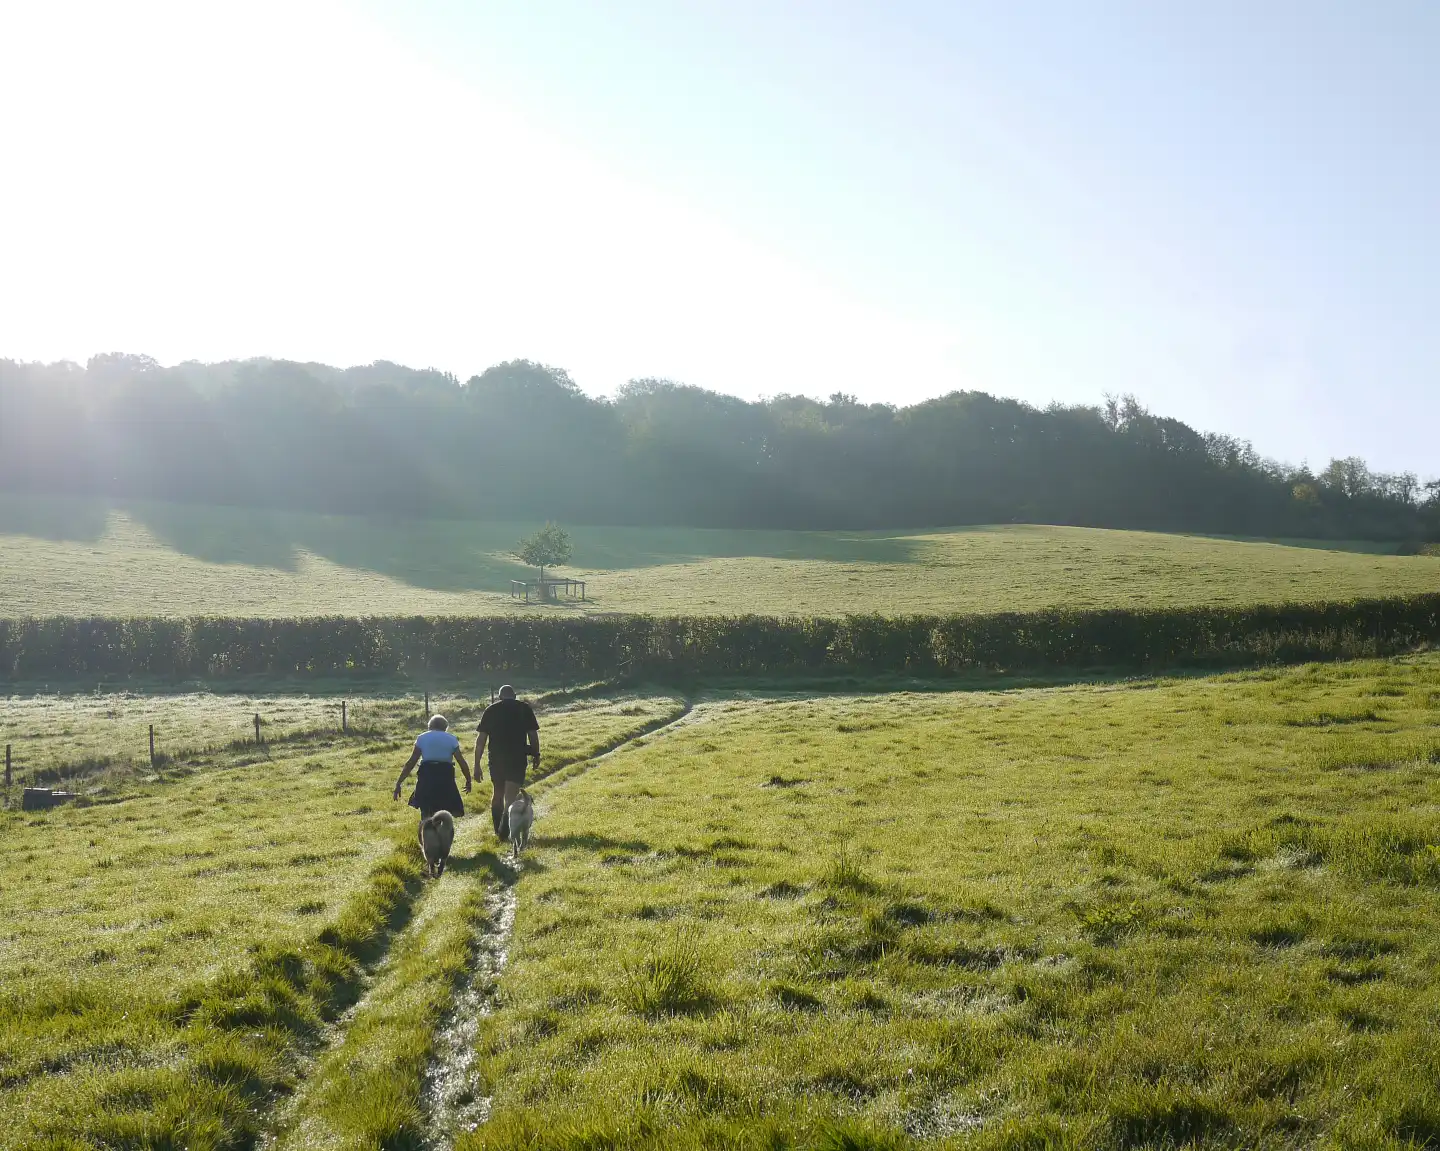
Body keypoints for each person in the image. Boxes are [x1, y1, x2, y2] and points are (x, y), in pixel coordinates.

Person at [475, 685, 539, 840]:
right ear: (515, 696)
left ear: (499, 697)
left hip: (496, 758)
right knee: (510, 796)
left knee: (497, 793)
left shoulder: (491, 710)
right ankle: (505, 830)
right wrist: (536, 754)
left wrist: (476, 765)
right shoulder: (524, 708)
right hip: (517, 757)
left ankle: (498, 829)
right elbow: (533, 735)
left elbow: (481, 740)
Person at [394, 714, 472, 819]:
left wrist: (399, 783)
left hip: (426, 777)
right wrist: (468, 780)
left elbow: (411, 763)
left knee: (426, 814)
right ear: (445, 727)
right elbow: (461, 762)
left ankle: (425, 826)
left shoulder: (422, 738)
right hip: (445, 778)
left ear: (429, 726)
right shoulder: (452, 739)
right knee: (445, 812)